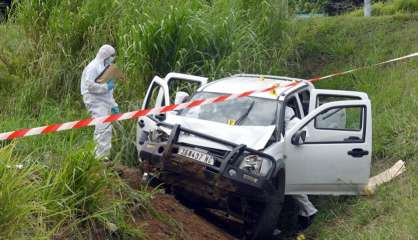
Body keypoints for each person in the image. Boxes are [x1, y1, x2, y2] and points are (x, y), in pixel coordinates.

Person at [80, 44, 119, 160]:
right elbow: (89, 85)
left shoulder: (106, 67)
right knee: (103, 126)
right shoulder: (93, 67)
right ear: (105, 55)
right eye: (111, 56)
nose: (112, 58)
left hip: (103, 100)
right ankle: (100, 158)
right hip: (93, 99)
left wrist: (113, 105)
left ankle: (102, 156)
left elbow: (108, 93)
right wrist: (106, 87)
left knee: (106, 127)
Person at [284, 106, 318, 230]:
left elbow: (300, 144)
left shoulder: (296, 124)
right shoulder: (291, 124)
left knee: (294, 188)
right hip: (294, 160)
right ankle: (304, 213)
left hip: (299, 161)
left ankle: (310, 212)